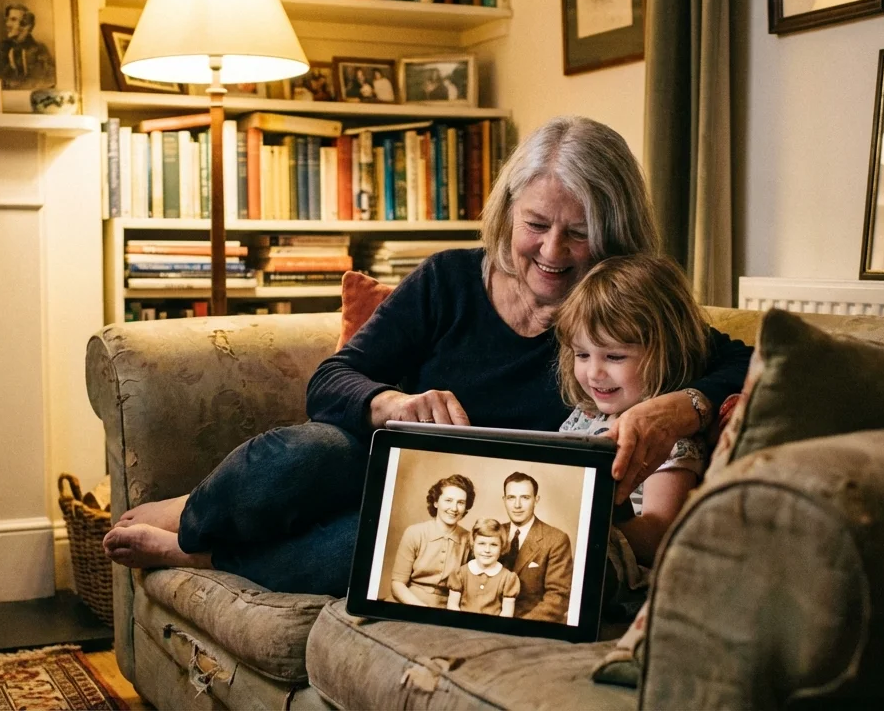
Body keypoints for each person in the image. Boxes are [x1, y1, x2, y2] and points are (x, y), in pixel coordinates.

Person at [101, 115, 752, 597]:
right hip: (381, 462)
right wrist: (392, 404)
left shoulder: (631, 316)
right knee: (297, 455)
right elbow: (331, 381)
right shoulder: (448, 280)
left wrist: (686, 406)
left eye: (578, 233)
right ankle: (195, 515)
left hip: (470, 517)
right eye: (536, 225)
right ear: (507, 213)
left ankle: (205, 557)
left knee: (376, 547)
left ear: (614, 233)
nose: (552, 251)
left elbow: (755, 362)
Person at [555, 254, 712, 577]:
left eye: (614, 356)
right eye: (582, 354)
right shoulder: (583, 418)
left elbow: (657, 541)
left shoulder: (668, 438)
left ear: (664, 353)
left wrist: (606, 513)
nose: (594, 372)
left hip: (620, 572)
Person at [389, 475, 474, 607]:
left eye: (461, 502)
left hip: (447, 607)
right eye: (448, 500)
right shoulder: (415, 533)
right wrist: (421, 608)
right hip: (408, 601)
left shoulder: (470, 540)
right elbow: (397, 584)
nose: (454, 508)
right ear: (435, 502)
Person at [498, 472, 572, 622]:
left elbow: (558, 597)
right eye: (511, 497)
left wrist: (520, 627)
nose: (517, 505)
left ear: (536, 500)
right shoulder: (493, 533)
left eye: (525, 498)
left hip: (530, 625)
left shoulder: (556, 539)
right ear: (504, 500)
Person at [447, 518, 520, 617]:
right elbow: (452, 606)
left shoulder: (508, 578)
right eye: (481, 544)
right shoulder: (460, 573)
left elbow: (507, 614)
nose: (487, 550)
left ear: (502, 547)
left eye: (494, 545)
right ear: (473, 544)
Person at [0, 3, 56, 90]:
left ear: (26, 25)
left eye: (13, 20)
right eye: (7, 20)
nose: (7, 24)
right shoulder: (0, 49)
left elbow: (47, 81)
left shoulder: (39, 49)